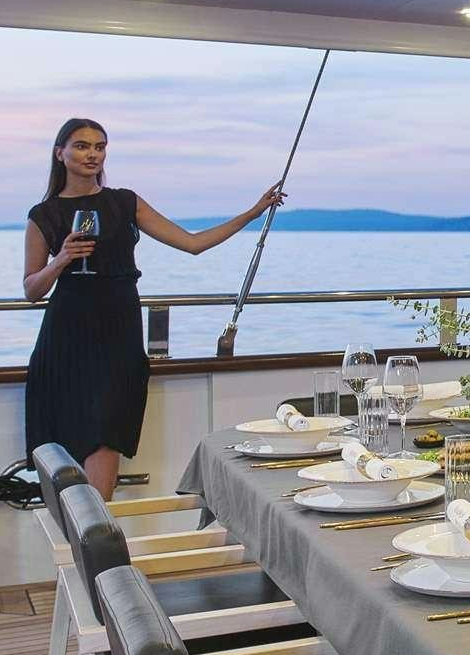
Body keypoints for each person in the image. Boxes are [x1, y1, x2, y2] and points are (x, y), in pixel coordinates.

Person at [22, 118, 283, 498]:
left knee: (107, 435)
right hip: (67, 334)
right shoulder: (43, 215)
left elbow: (193, 243)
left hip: (119, 333)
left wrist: (252, 212)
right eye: (81, 146)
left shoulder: (123, 202)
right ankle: (83, 544)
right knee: (67, 441)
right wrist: (60, 260)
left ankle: (96, 543)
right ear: (59, 153)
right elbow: (32, 289)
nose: (92, 154)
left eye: (100, 146)